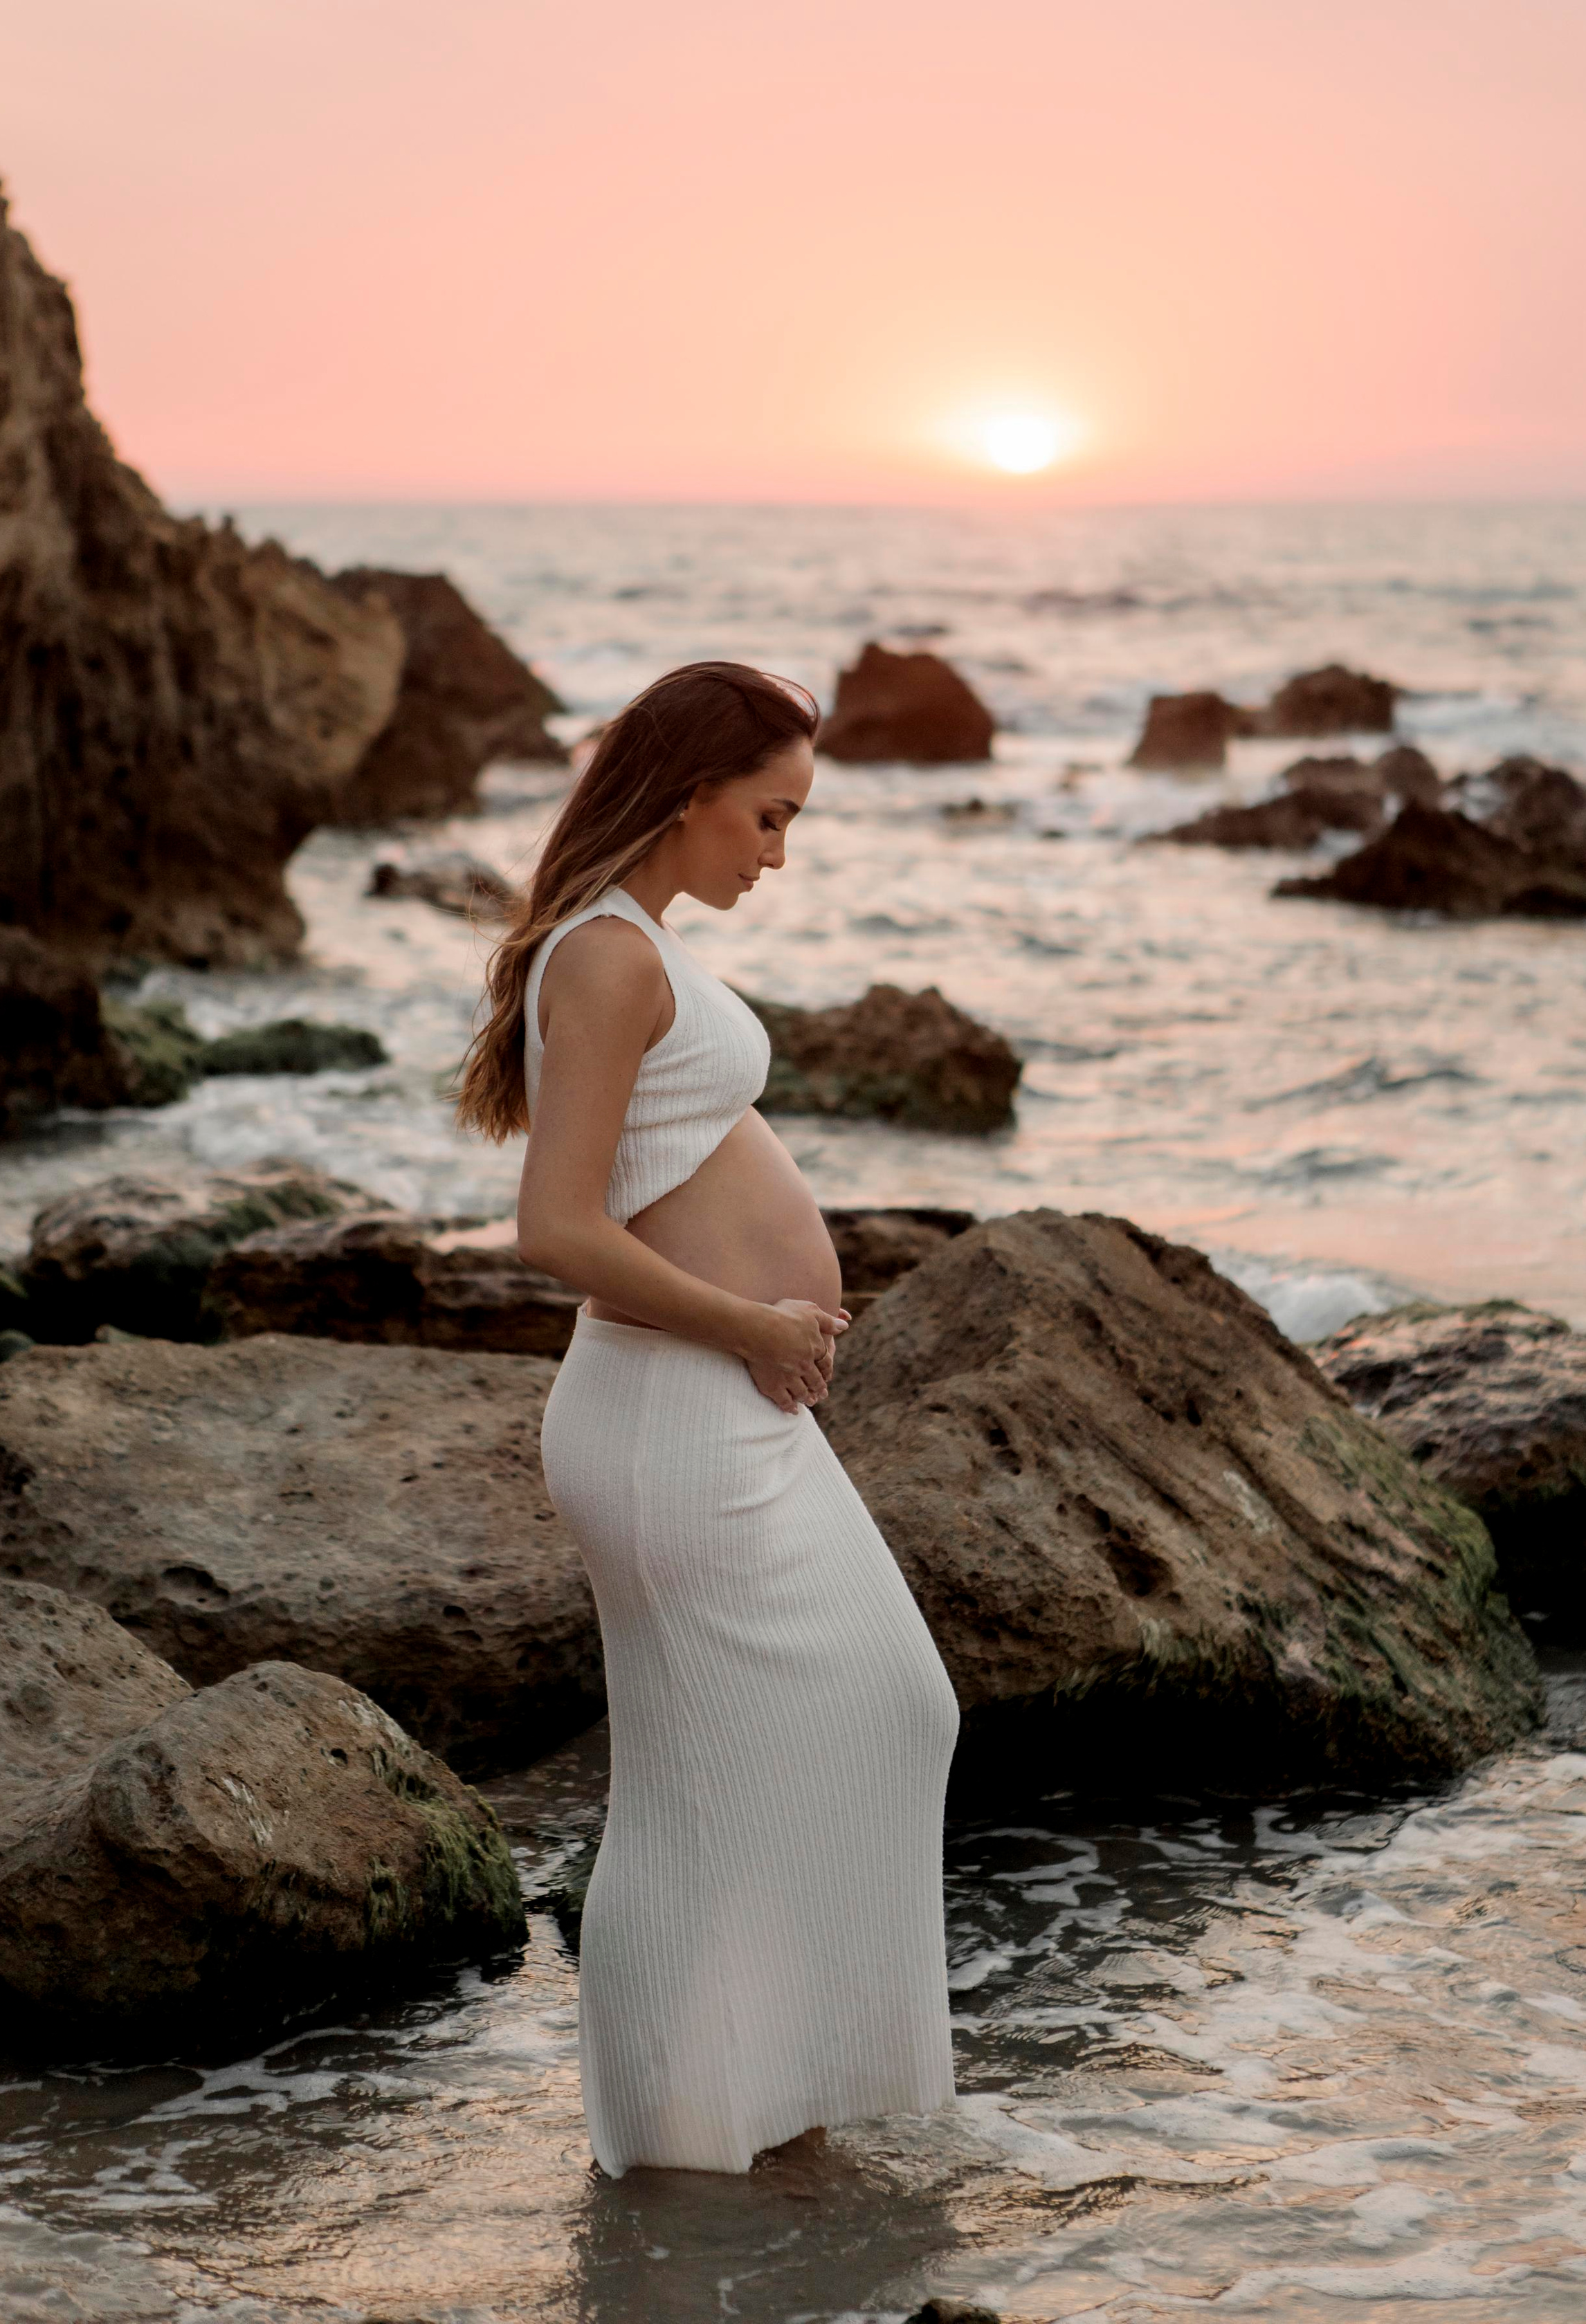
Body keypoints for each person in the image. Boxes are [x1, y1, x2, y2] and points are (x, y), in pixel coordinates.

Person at [457, 658, 958, 2179]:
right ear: (686, 792)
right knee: (707, 1783)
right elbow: (551, 1226)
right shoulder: (606, 959)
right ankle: (681, 2144)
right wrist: (750, 1322)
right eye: (765, 815)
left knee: (857, 1720)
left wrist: (754, 1337)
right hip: (670, 1407)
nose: (776, 852)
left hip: (708, 1406)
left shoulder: (629, 945)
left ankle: (763, 2101)